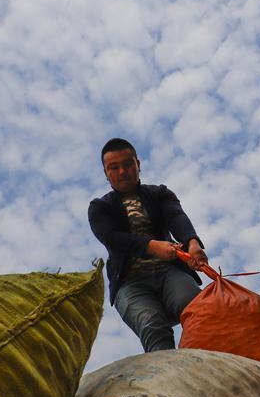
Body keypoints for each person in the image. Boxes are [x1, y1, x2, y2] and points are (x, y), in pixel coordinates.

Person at [88, 138, 209, 352]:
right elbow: (112, 238)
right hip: (130, 284)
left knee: (201, 310)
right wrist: (152, 246)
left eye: (127, 164)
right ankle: (167, 381)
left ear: (138, 164)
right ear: (106, 173)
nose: (122, 172)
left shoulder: (160, 193)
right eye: (113, 168)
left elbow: (176, 217)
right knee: (153, 326)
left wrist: (192, 242)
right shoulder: (99, 207)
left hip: (170, 273)